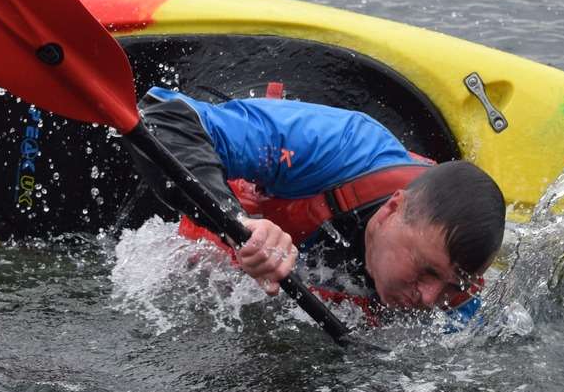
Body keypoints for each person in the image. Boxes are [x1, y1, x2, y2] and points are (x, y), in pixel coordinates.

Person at [131, 87, 507, 314]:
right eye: (425, 270)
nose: (429, 298)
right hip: (198, 264)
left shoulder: (461, 294)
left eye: (450, 286)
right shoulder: (338, 146)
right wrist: (237, 225)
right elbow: (168, 116)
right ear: (393, 209)